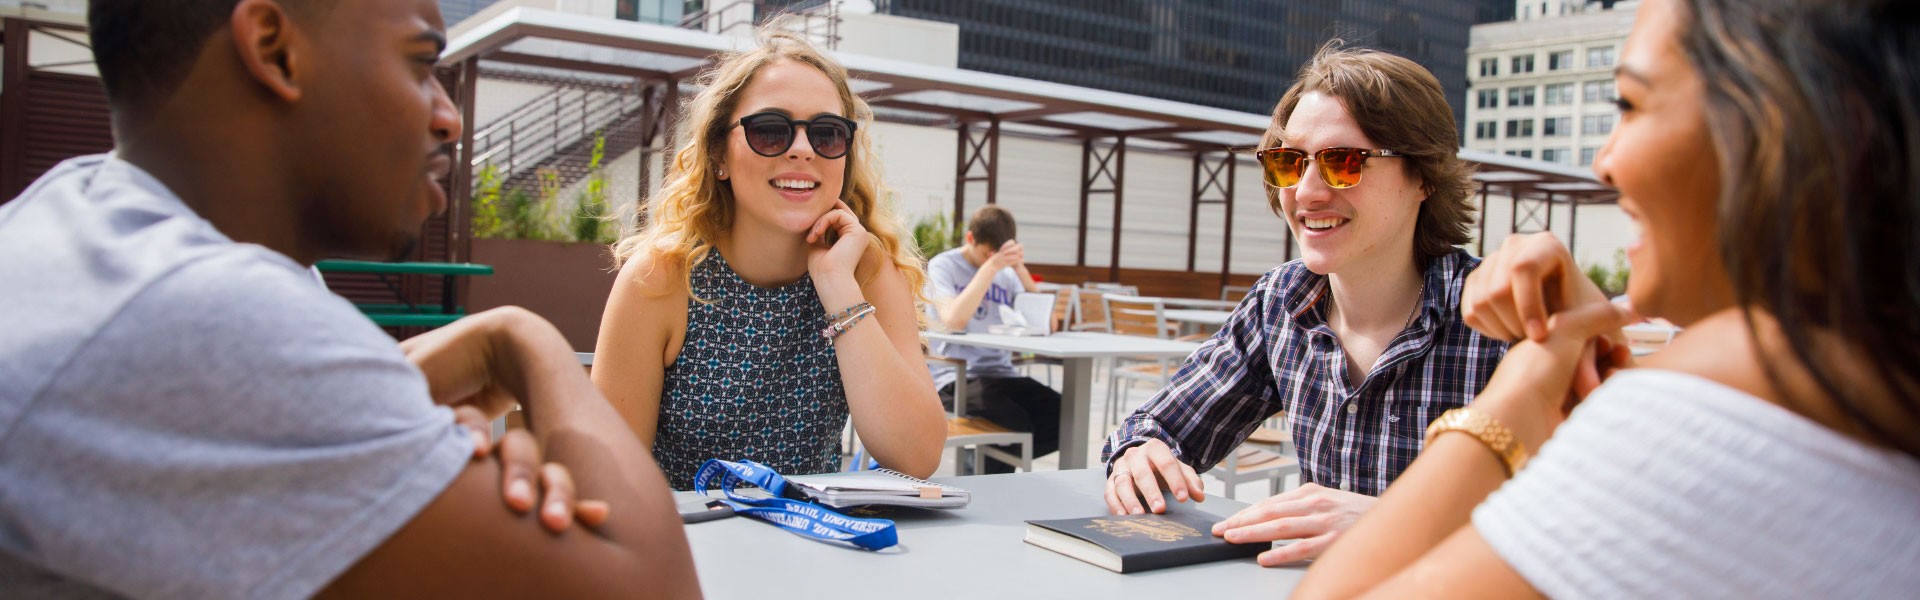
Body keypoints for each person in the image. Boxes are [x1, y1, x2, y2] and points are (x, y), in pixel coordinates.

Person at [0, 0, 699, 597]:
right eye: (421, 65)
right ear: (275, 50)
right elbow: (650, 589)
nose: (449, 118)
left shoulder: (84, 229)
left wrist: (420, 470)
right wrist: (521, 342)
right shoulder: (188, 310)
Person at [1295, 0, 1920, 596]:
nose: (1605, 160)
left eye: (1631, 103)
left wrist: (1522, 388)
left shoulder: (1722, 394)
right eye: (1287, 164)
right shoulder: (1874, 378)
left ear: (1782, 128)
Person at [1098, 43, 1509, 566]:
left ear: (1424, 177)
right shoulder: (1283, 303)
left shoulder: (1499, 321)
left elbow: (1587, 528)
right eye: (1289, 162)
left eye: (1344, 162)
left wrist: (1399, 525)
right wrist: (1139, 454)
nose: (1307, 192)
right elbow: (1158, 428)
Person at [593, 32, 945, 490]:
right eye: (770, 130)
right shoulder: (661, 279)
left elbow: (917, 455)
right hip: (690, 549)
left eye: (827, 133)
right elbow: (608, 479)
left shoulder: (866, 272)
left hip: (818, 546)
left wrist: (837, 285)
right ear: (719, 153)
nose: (802, 149)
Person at [924, 205, 1064, 473]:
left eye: (996, 255)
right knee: (1013, 421)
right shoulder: (944, 265)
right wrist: (991, 267)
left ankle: (982, 464)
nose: (992, 260)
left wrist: (1019, 269)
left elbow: (1048, 324)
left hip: (1002, 373)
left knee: (1064, 416)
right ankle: (990, 477)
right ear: (969, 239)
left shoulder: (1008, 274)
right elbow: (953, 319)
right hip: (956, 377)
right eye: (986, 254)